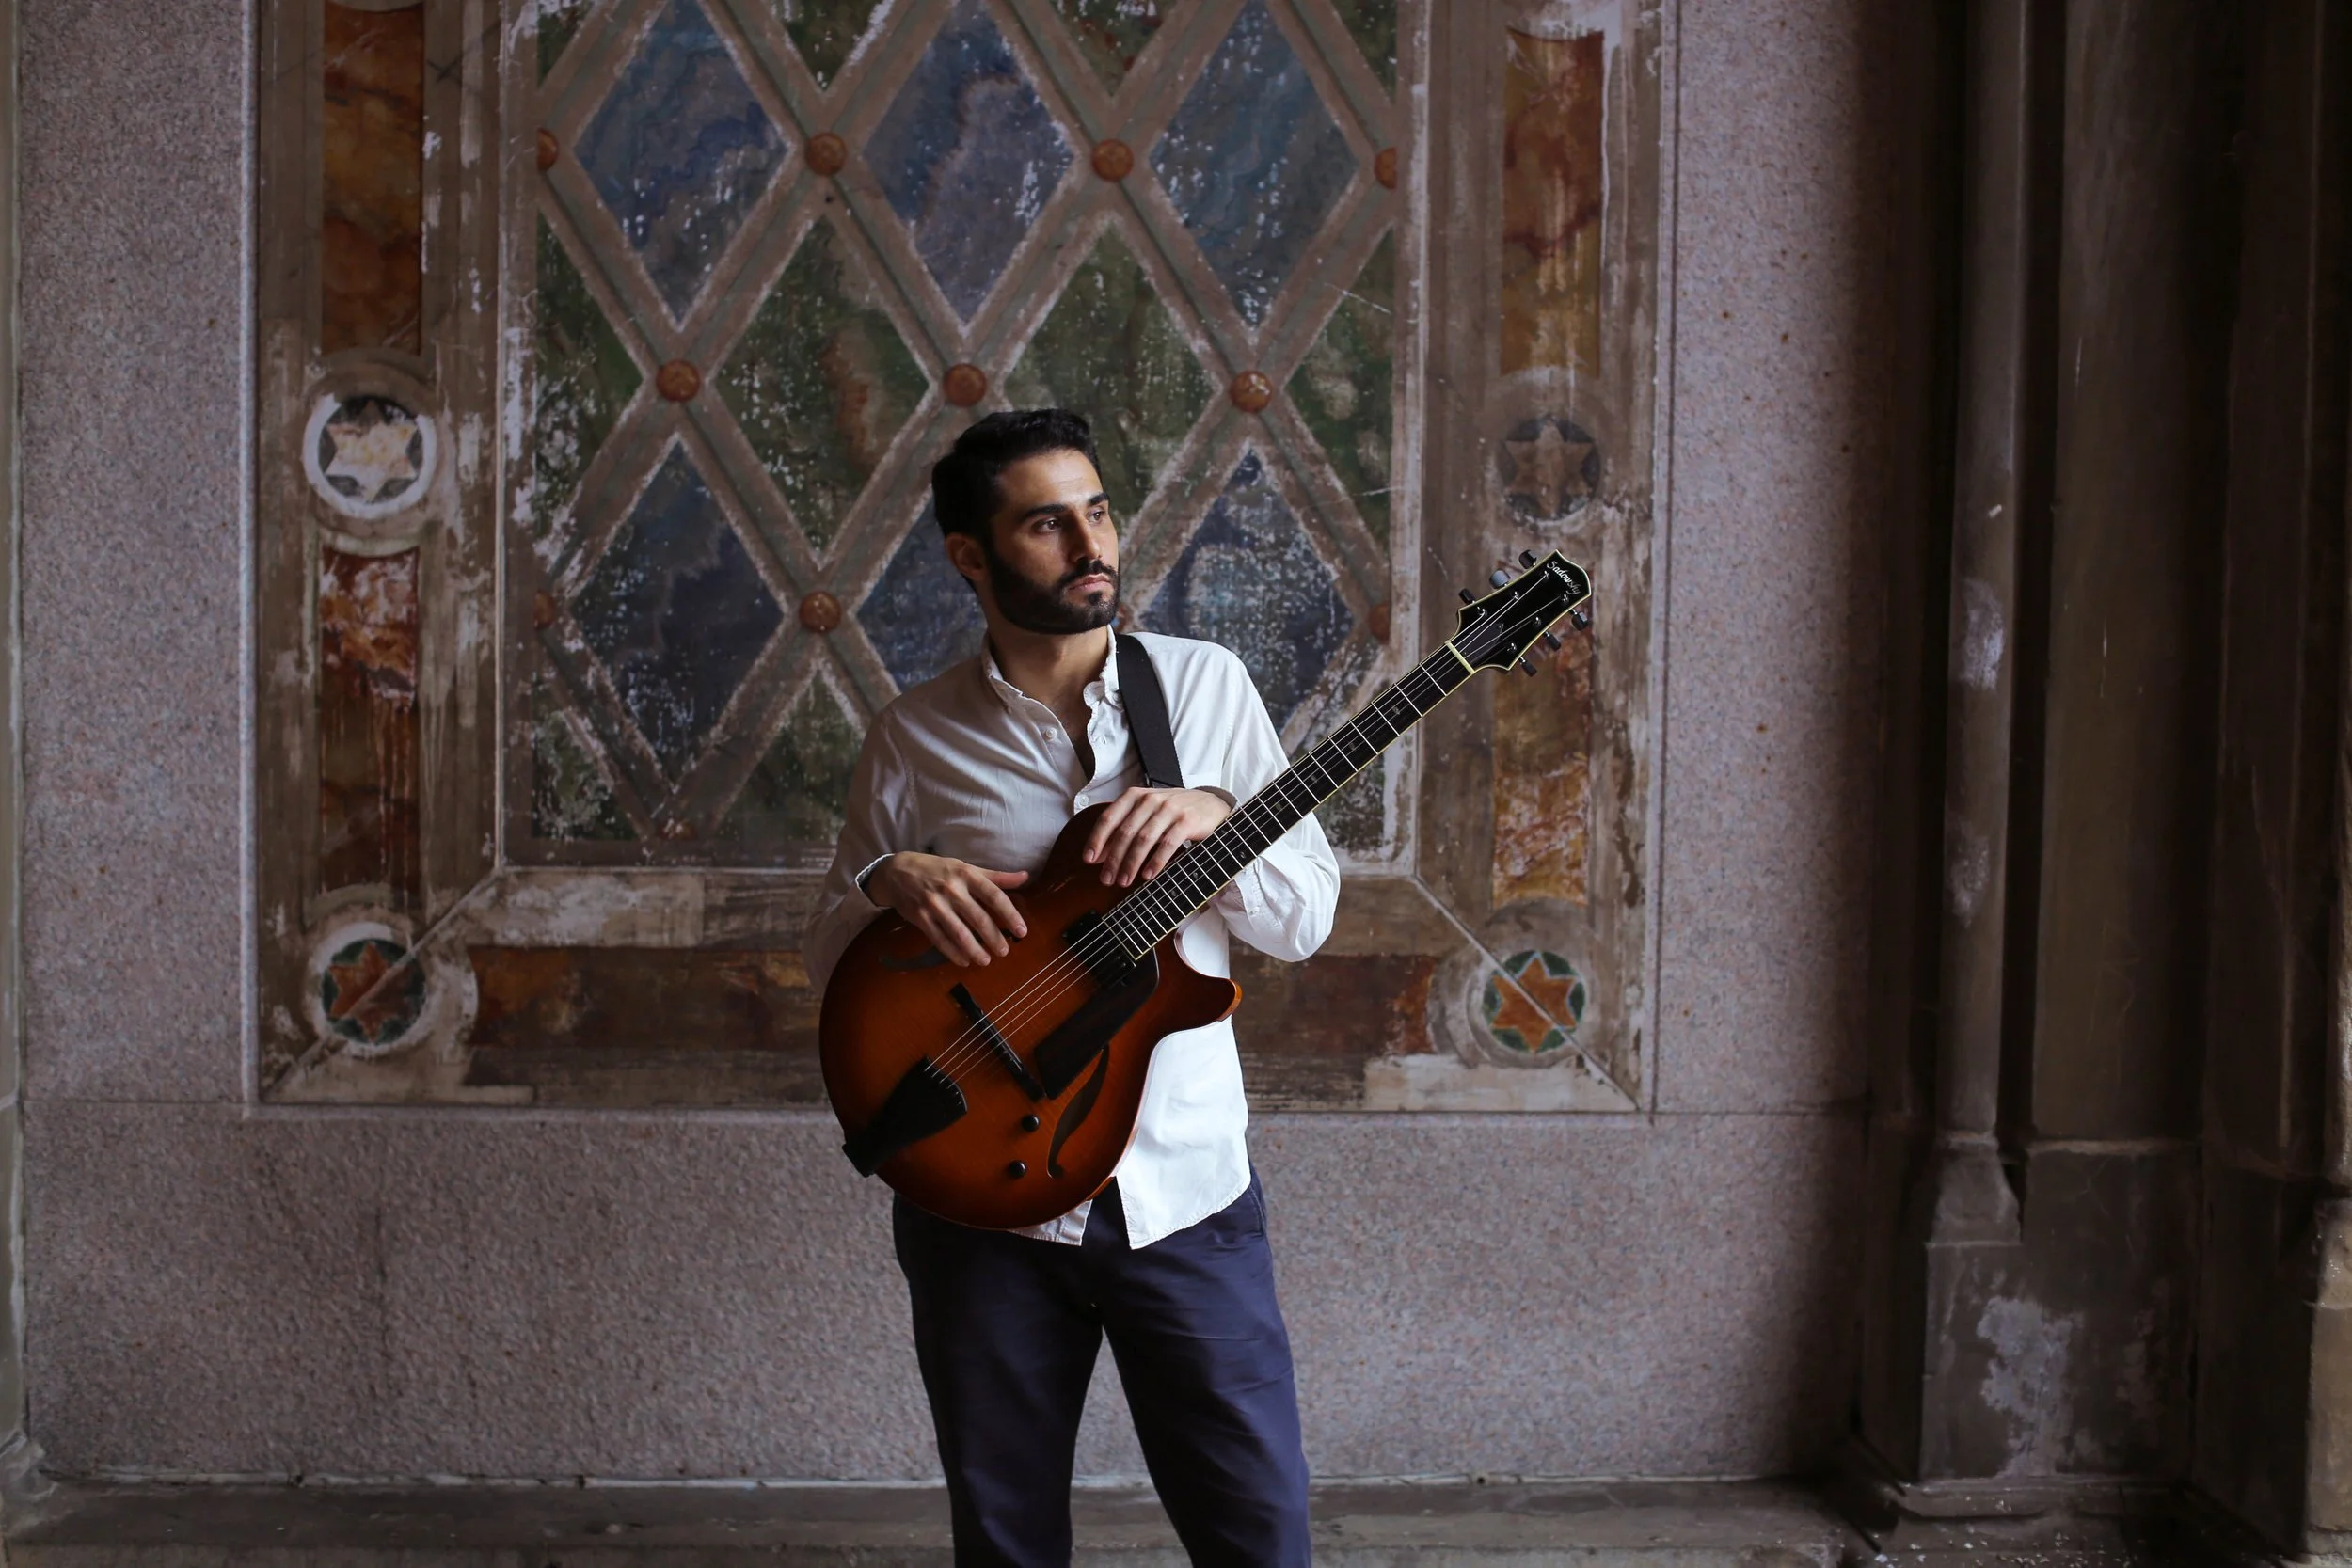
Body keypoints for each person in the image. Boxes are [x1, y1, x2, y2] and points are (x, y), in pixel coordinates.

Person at [802, 409, 1339, 1566]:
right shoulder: (913, 736)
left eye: (1097, 511)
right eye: (1046, 524)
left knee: (1259, 1535)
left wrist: (1218, 819)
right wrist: (886, 880)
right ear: (970, 554)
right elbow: (829, 954)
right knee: (1006, 1541)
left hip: (1184, 1193)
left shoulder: (1204, 686)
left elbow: (1303, 918)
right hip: (980, 1205)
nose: (1092, 544)